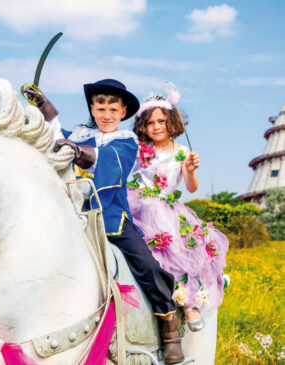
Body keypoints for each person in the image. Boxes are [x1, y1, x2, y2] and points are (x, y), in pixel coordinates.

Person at [25, 79, 186, 364]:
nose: (107, 114)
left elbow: (107, 159)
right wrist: (45, 107)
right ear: (92, 108)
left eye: (113, 108)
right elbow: (53, 137)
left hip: (111, 217)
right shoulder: (80, 133)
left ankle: (169, 328)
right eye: (101, 107)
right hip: (72, 215)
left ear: (123, 112)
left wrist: (78, 152)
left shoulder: (125, 141)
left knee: (147, 266)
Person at [127, 88, 229, 333]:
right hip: (139, 205)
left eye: (161, 121)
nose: (156, 127)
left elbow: (191, 188)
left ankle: (187, 303)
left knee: (181, 250)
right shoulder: (140, 150)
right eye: (150, 123)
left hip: (166, 208)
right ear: (143, 126)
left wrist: (191, 169)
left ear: (171, 122)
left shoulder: (182, 152)